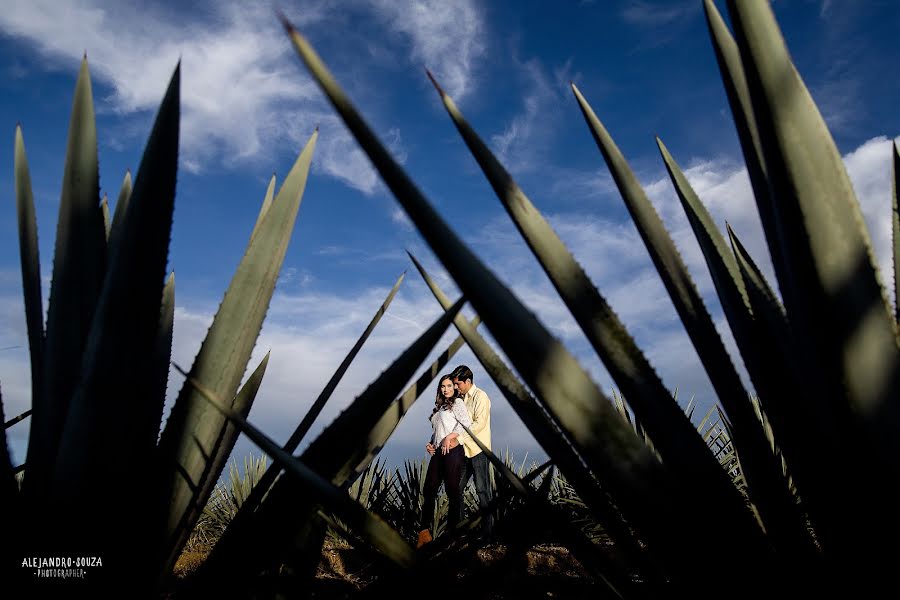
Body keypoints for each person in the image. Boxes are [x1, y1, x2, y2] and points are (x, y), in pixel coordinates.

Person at [417, 374, 472, 549]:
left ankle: (452, 534)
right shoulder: (440, 408)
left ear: (454, 388)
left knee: (452, 490)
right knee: (429, 488)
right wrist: (431, 443)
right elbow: (438, 431)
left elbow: (465, 423)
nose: (446, 389)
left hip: (453, 451)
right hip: (439, 451)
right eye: (443, 386)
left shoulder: (458, 403)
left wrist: (451, 436)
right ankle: (424, 533)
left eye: (449, 385)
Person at [451, 365, 494, 542]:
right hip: (464, 452)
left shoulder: (480, 397)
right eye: (454, 384)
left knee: (483, 491)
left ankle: (488, 534)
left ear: (468, 381)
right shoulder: (460, 400)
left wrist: (459, 439)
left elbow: (479, 424)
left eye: (457, 383)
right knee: (457, 489)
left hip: (478, 451)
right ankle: (461, 532)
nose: (455, 387)